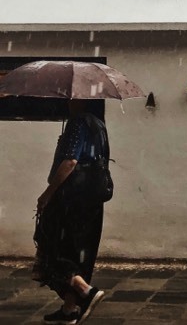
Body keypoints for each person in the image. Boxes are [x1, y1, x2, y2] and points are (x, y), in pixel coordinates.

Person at [33, 100, 107, 324]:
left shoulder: (77, 123)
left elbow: (70, 161)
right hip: (92, 198)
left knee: (54, 247)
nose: (68, 101)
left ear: (83, 100)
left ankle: (86, 291)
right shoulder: (99, 125)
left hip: (71, 199)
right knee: (77, 253)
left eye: (73, 98)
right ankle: (69, 310)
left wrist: (48, 193)